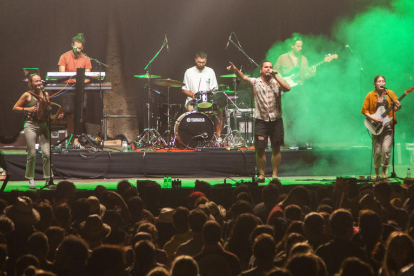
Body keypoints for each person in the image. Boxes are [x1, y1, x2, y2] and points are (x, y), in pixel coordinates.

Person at [226, 61, 290, 182]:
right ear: (261, 70)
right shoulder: (255, 82)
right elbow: (244, 77)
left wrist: (276, 75)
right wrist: (235, 70)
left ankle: (275, 176)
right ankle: (261, 175)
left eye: (270, 67)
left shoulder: (277, 81)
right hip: (261, 119)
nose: (268, 69)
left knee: (276, 148)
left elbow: (287, 88)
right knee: (260, 148)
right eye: (266, 67)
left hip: (276, 119)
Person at [13, 74, 62, 189]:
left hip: (43, 125)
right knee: (32, 153)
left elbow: (47, 113)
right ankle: (31, 179)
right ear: (31, 83)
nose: (39, 83)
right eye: (36, 81)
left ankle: (48, 180)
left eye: (40, 81)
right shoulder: (27, 95)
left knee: (47, 154)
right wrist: (27, 109)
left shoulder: (45, 95)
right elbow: (15, 107)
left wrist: (57, 116)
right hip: (30, 124)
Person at [274, 36, 316, 147]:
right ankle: (289, 142)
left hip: (300, 89)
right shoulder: (282, 58)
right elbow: (275, 72)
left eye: (301, 46)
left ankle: (301, 140)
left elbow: (305, 76)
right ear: (292, 46)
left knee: (302, 115)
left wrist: (311, 73)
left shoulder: (304, 59)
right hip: (288, 90)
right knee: (289, 116)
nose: (300, 48)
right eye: (298, 46)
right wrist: (283, 80)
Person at [361, 75, 401, 179]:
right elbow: (364, 111)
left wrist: (399, 106)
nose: (381, 82)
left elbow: (395, 108)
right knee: (377, 151)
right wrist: (374, 119)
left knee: (386, 149)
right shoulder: (370, 95)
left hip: (388, 126)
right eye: (379, 81)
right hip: (376, 127)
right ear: (375, 84)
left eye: (383, 81)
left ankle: (384, 173)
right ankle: (376, 173)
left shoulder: (390, 93)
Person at [58, 33, 92, 147]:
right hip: (68, 88)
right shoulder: (64, 56)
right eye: (76, 47)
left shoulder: (86, 59)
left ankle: (77, 139)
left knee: (81, 111)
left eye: (80, 48)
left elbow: (88, 78)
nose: (77, 50)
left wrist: (77, 81)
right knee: (69, 112)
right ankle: (72, 136)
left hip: (80, 88)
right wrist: (74, 81)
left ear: (83, 48)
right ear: (72, 45)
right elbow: (62, 75)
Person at [182, 52, 223, 140]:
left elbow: (215, 88)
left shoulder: (210, 71)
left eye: (203, 62)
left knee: (219, 110)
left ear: (206, 61)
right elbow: (184, 89)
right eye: (199, 62)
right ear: (195, 60)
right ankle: (191, 137)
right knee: (190, 109)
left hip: (207, 100)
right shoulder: (189, 72)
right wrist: (193, 95)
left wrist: (211, 94)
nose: (201, 64)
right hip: (192, 101)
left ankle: (217, 137)